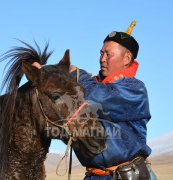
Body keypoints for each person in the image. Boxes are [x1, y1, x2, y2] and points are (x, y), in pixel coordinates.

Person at [33, 21, 157, 180]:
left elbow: (98, 97)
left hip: (127, 176)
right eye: (101, 53)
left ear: (126, 58)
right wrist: (46, 72)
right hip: (93, 175)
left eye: (108, 54)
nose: (102, 59)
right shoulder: (94, 84)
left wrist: (77, 75)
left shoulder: (134, 89)